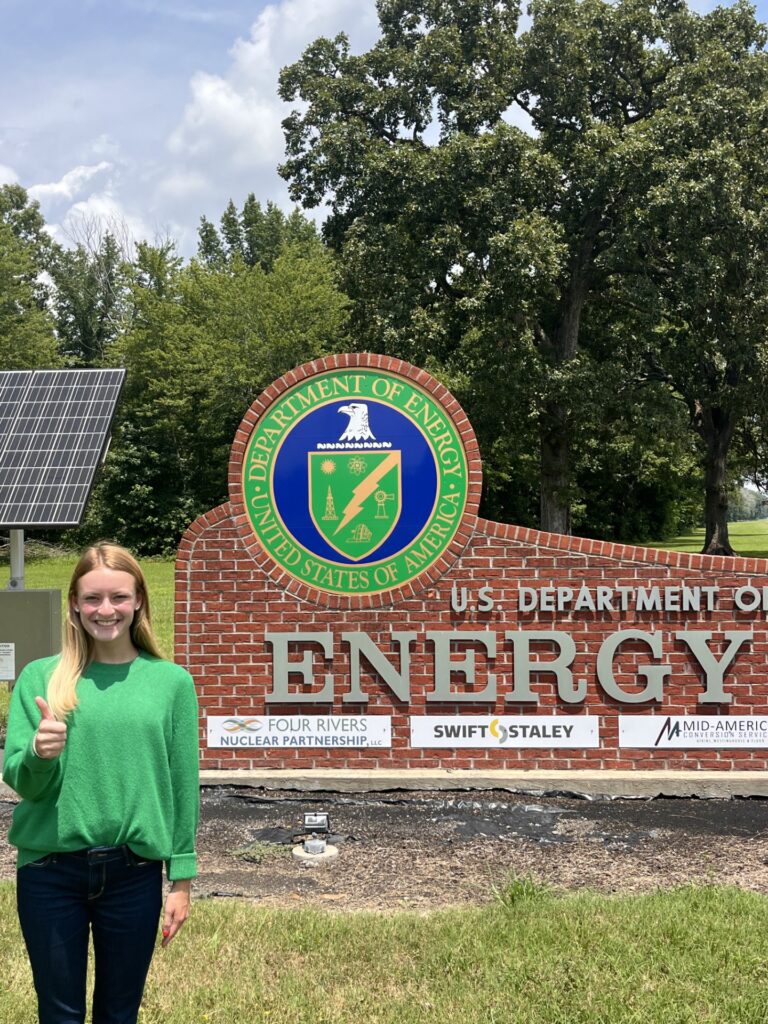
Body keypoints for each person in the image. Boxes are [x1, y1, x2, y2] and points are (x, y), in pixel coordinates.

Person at [2, 542, 200, 1024]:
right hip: (49, 871)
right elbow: (22, 781)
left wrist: (181, 879)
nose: (105, 610)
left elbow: (181, 785)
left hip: (133, 876)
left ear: (138, 603)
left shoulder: (171, 683)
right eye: (92, 598)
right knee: (59, 1013)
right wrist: (39, 754)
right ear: (74, 602)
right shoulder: (41, 677)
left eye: (118, 597)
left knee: (119, 1013)